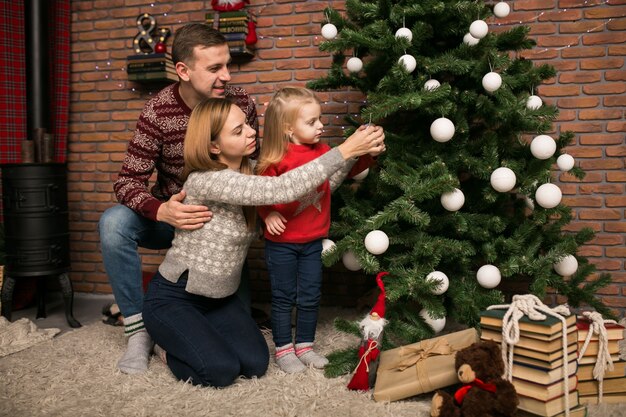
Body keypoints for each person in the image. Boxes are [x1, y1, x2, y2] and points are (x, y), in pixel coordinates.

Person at [142, 98, 385, 387]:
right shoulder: (205, 180)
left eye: (246, 124)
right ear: (213, 146)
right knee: (220, 371)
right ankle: (164, 347)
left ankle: (197, 334)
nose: (250, 132)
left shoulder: (254, 169)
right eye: (237, 130)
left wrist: (353, 157)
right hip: (176, 297)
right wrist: (344, 150)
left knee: (255, 364)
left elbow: (314, 188)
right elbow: (280, 188)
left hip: (220, 300)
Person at [98, 23, 258, 375]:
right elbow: (127, 182)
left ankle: (185, 328)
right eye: (214, 68)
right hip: (172, 220)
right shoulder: (157, 112)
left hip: (220, 230)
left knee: (242, 342)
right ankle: (139, 331)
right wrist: (162, 211)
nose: (226, 76)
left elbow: (252, 167)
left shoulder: (241, 102)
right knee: (113, 224)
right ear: (183, 71)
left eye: (227, 65)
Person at [255, 87, 380, 373]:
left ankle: (306, 347)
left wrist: (367, 153)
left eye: (319, 119)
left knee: (310, 295)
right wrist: (268, 213)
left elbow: (346, 168)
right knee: (284, 296)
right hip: (282, 243)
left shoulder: (324, 152)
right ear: (288, 129)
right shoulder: (275, 159)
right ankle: (284, 350)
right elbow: (257, 193)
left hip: (313, 241)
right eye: (311, 122)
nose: (320, 125)